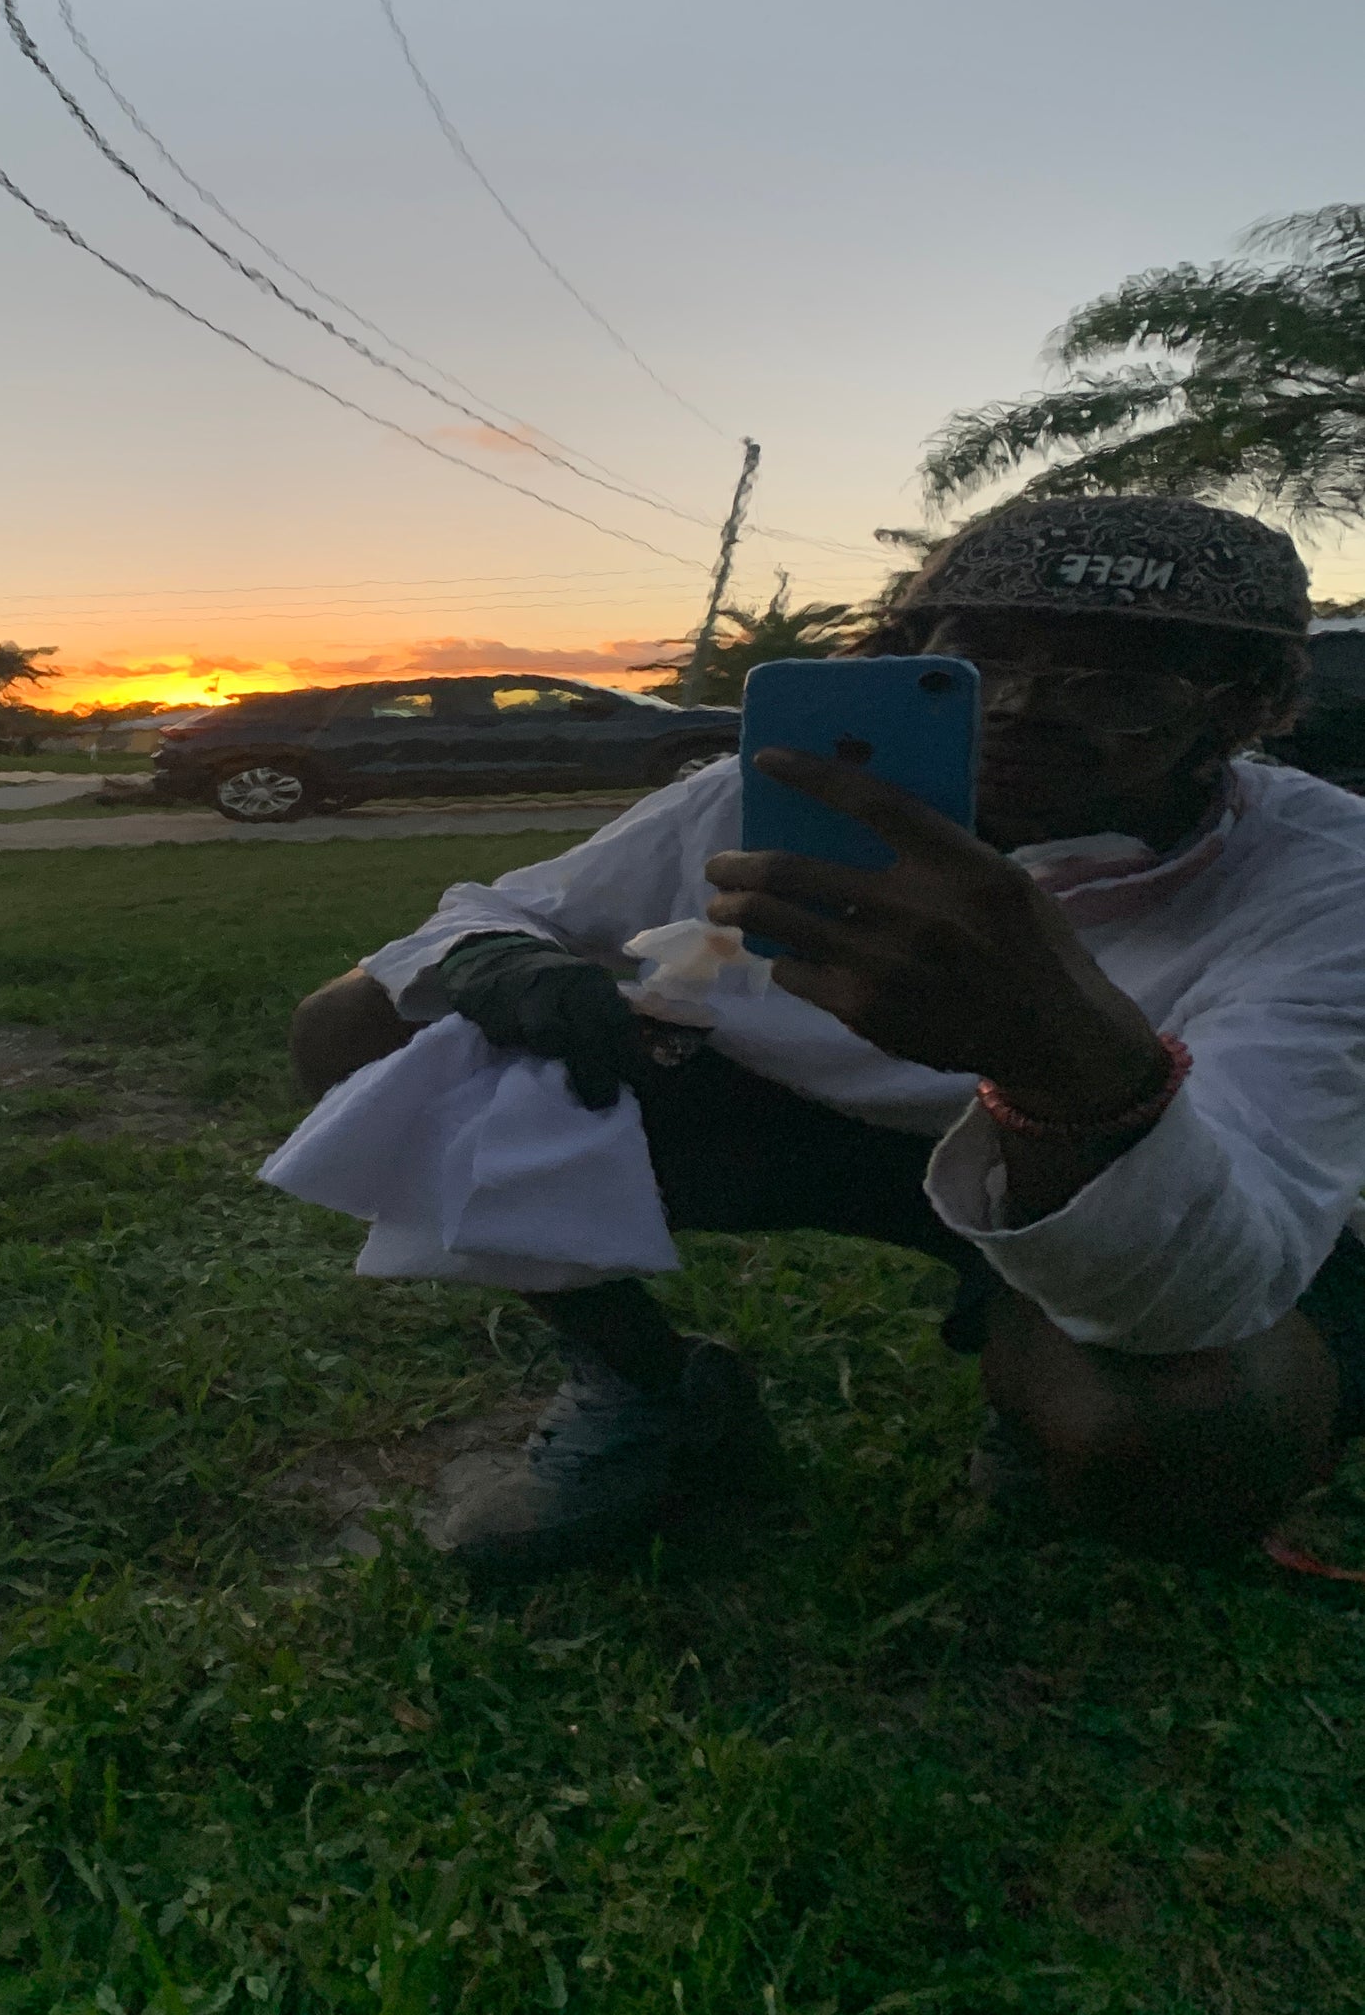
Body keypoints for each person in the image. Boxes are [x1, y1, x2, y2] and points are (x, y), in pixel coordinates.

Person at [273, 496, 1365, 1577]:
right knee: (362, 1022)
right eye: (972, 668)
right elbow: (489, 912)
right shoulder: (760, 800)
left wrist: (1062, 1055)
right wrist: (504, 966)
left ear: (1247, 704)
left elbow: (1211, 1276)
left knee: (1181, 1442)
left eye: (1117, 683)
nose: (1023, 709)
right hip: (793, 1135)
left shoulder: (1322, 875)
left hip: (1072, 1163)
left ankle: (1034, 1377)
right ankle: (649, 1391)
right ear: (902, 660)